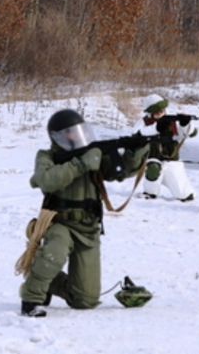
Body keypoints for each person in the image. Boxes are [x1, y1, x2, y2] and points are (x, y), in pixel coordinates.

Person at [19, 109, 149, 317]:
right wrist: (80, 164)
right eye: (69, 133)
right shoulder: (48, 156)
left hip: (88, 228)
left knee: (85, 300)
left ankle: (46, 277)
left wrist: (136, 152)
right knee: (55, 254)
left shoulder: (92, 153)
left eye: (79, 131)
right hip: (58, 223)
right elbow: (46, 181)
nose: (75, 136)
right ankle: (32, 298)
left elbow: (119, 171)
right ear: (57, 137)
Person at [132, 94, 197, 202]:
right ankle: (150, 193)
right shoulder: (144, 122)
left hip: (172, 160)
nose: (159, 113)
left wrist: (185, 124)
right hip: (153, 157)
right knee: (153, 168)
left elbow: (192, 133)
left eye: (161, 110)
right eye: (156, 111)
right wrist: (155, 128)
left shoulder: (172, 120)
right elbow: (135, 136)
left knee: (184, 195)